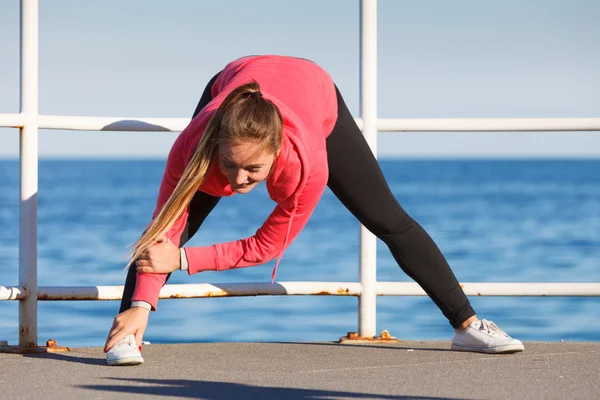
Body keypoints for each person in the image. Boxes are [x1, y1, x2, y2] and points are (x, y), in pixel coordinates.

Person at [104, 55, 524, 366]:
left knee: (387, 218)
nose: (238, 180)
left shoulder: (308, 167)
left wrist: (181, 260)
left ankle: (467, 326)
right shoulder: (194, 144)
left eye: (253, 169)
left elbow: (265, 246)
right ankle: (127, 333)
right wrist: (143, 302)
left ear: (275, 153)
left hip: (312, 89)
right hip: (236, 78)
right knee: (166, 230)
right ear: (216, 148)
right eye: (229, 165)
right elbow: (165, 227)